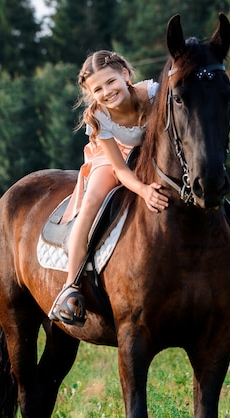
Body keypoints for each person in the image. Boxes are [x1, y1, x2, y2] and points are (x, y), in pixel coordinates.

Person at [48, 50, 169, 326]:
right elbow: (121, 169)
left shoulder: (153, 93)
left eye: (110, 82)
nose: (107, 92)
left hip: (150, 151)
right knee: (92, 201)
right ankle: (71, 286)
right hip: (113, 158)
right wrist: (144, 190)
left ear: (125, 75)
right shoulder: (99, 117)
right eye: (98, 89)